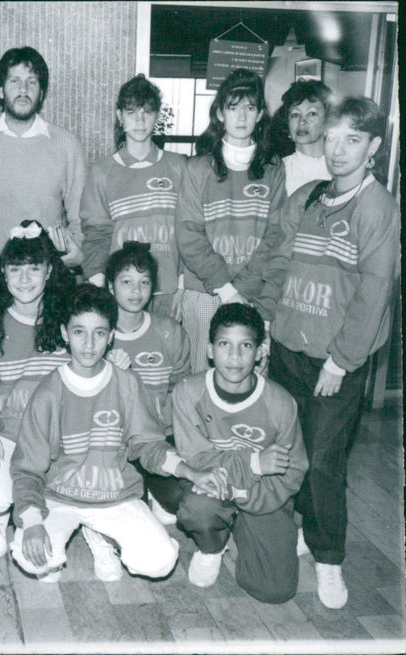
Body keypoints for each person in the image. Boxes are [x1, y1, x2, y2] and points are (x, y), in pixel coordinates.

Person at [260, 97, 399, 609]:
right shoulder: (307, 196)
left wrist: (342, 361)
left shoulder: (378, 207)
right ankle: (298, 526)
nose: (338, 151)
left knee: (323, 461)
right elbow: (277, 258)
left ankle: (329, 558)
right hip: (288, 347)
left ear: (374, 148)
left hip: (334, 361)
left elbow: (375, 290)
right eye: (333, 138)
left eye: (353, 140)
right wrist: (267, 323)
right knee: (290, 450)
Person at [10, 284, 226, 582]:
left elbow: (149, 446)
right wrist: (32, 520)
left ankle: (103, 534)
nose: (89, 344)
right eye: (79, 332)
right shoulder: (48, 391)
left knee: (161, 562)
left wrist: (190, 472)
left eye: (99, 333)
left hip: (115, 497)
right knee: (32, 559)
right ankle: (78, 532)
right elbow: (27, 468)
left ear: (111, 336)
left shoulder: (126, 383)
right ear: (64, 333)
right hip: (60, 497)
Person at [173, 303, 308, 604]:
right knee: (198, 509)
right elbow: (196, 458)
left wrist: (242, 492)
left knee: (276, 591)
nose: (234, 356)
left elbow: (291, 472)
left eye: (245, 345)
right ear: (209, 349)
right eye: (224, 344)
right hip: (212, 487)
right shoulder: (188, 392)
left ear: (260, 352)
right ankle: (212, 546)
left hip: (259, 494)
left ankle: (249, 531)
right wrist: (254, 464)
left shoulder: (281, 403)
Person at [0, 220, 75, 559]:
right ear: (4, 274)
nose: (24, 279)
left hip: (59, 438)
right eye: (15, 269)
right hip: (6, 433)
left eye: (33, 269)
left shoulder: (70, 320)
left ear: (50, 271)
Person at [175, 68, 285, 372]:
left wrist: (244, 292)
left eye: (250, 108)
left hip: (255, 293)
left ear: (261, 114)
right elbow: (189, 235)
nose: (241, 116)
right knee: (201, 379)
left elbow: (276, 235)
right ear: (220, 113)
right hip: (207, 292)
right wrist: (226, 290)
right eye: (233, 107)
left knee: (249, 382)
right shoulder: (196, 168)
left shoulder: (274, 169)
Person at [0, 46, 86, 267]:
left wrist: (72, 255)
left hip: (48, 277)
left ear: (42, 93)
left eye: (32, 82)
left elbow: (80, 219)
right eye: (14, 81)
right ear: (0, 91)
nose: (23, 89)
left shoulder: (66, 144)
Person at [81, 74, 186, 320]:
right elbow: (95, 236)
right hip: (122, 294)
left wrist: (183, 286)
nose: (139, 121)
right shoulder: (101, 172)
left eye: (147, 112)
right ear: (119, 116)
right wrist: (100, 289)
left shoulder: (178, 166)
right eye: (131, 112)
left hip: (168, 292)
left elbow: (189, 230)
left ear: (157, 115)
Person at [104, 242, 191, 529]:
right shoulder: (98, 335)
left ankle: (156, 490)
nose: (136, 291)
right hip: (114, 442)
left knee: (183, 496)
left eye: (144, 282)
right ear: (110, 286)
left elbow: (182, 392)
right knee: (124, 510)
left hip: (159, 437)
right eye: (126, 282)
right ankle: (141, 492)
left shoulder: (169, 331)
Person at [271, 80, 333, 196]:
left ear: (328, 121)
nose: (302, 122)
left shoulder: (341, 167)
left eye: (312, 114)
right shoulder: (277, 170)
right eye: (295, 115)